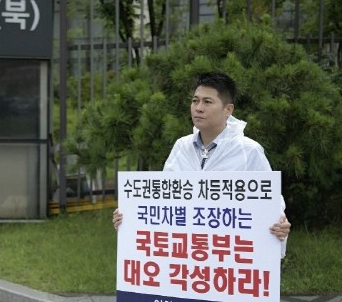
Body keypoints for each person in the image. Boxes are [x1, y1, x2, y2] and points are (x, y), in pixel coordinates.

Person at [113, 70, 291, 251]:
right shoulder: (181, 147)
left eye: (207, 102)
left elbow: (271, 202)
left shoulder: (248, 151)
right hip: (189, 250)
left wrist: (280, 225)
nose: (198, 108)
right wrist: (130, 218)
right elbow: (164, 199)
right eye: (195, 101)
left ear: (228, 110)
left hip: (228, 249)